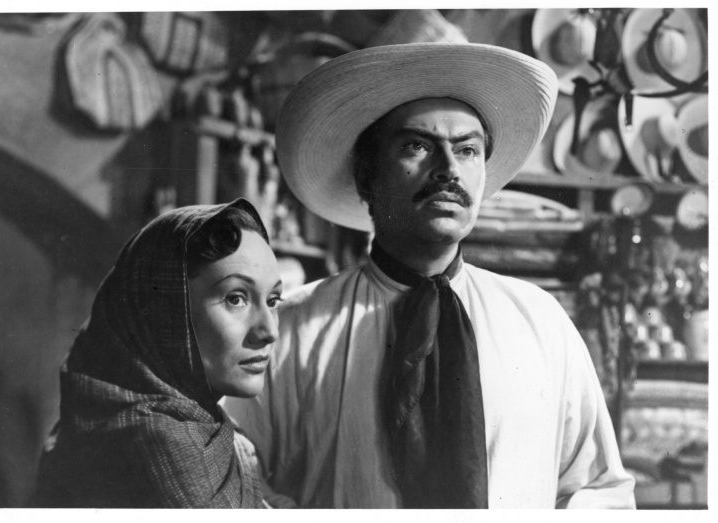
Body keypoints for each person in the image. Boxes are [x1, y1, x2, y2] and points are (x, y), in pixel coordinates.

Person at [223, 43, 636, 508]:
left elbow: (599, 491)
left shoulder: (541, 322)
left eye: (468, 150)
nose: (449, 170)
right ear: (367, 176)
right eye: (417, 146)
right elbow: (235, 487)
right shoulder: (292, 330)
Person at [34, 199, 282, 508]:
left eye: (273, 300)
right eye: (236, 298)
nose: (269, 331)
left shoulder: (197, 426)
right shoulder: (156, 445)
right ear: (167, 311)